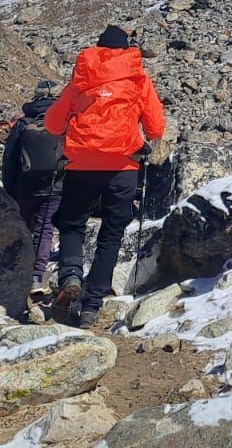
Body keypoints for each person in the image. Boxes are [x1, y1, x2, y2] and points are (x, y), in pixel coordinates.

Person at [46, 25, 166, 326]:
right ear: (126, 50)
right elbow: (156, 129)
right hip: (123, 167)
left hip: (81, 164)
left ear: (97, 50)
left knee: (71, 223)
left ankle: (71, 274)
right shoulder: (139, 80)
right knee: (111, 233)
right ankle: (92, 305)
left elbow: (53, 124)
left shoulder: (81, 78)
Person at [0, 80, 64, 293]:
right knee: (46, 228)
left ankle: (18, 272)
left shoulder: (22, 123)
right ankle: (37, 276)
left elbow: (10, 159)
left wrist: (9, 189)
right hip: (55, 185)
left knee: (25, 227)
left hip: (25, 186)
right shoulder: (64, 120)